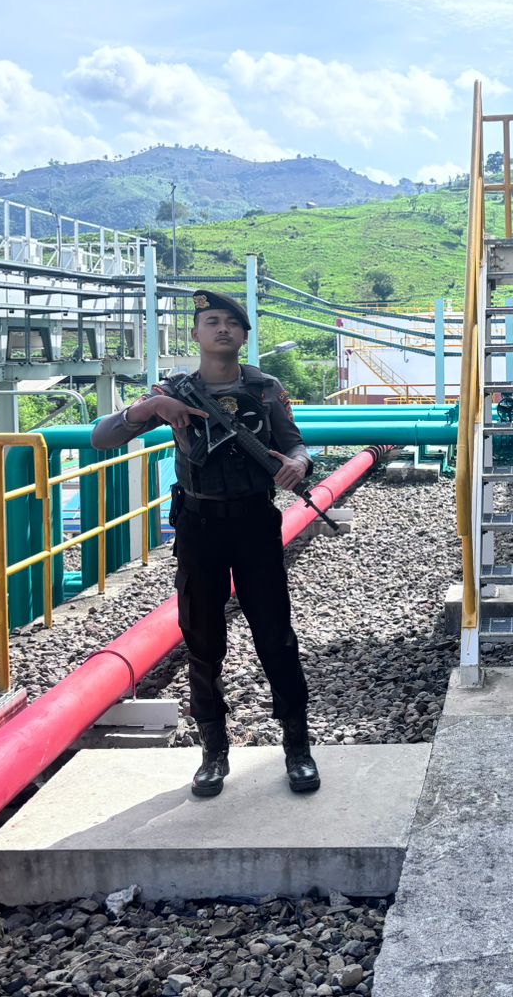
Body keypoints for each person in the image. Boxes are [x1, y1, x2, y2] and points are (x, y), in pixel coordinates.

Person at [90, 289, 320, 798]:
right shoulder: (174, 391)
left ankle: (297, 748)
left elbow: (294, 441)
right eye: (211, 321)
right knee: (202, 640)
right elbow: (102, 438)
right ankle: (213, 751)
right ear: (195, 334)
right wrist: (152, 406)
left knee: (276, 637)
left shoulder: (265, 388)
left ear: (244, 335)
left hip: (256, 522)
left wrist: (299, 463)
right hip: (199, 527)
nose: (222, 329)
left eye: (231, 323)